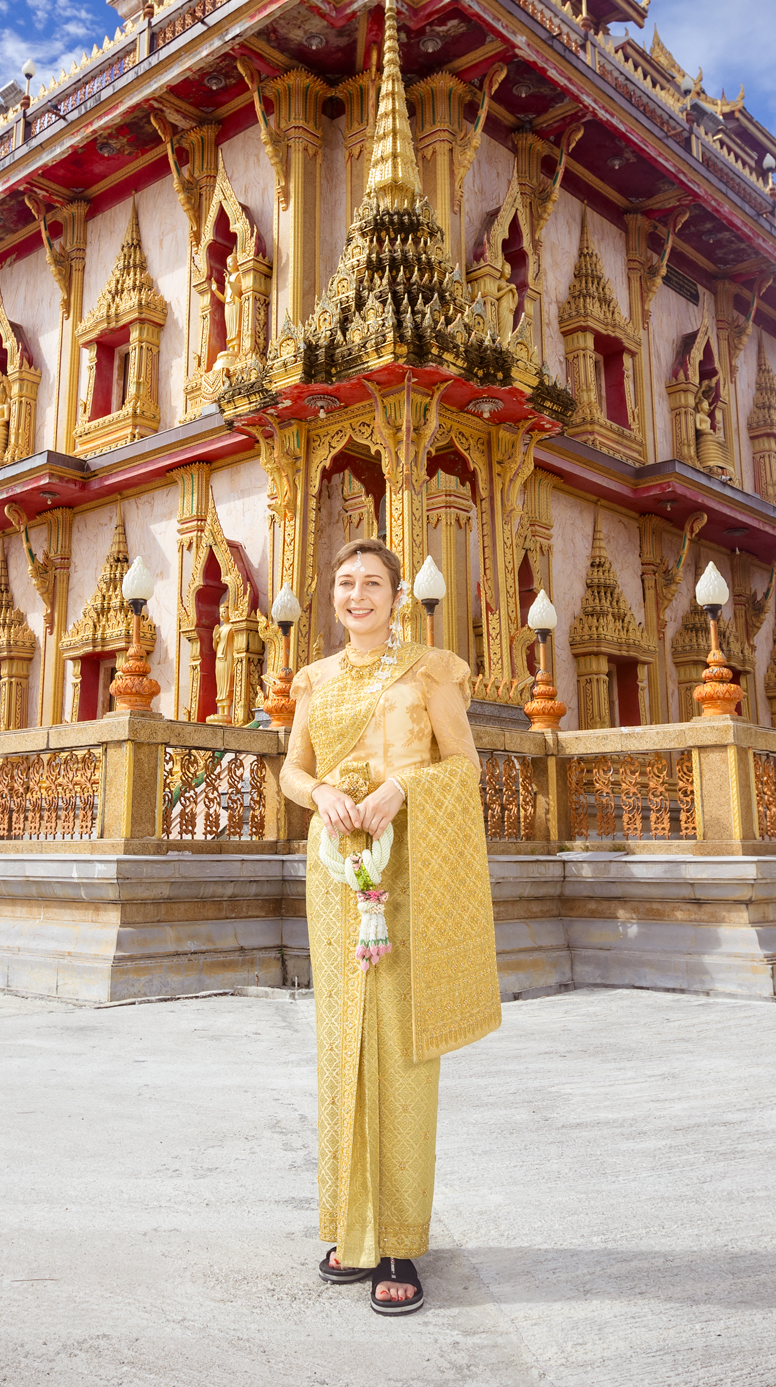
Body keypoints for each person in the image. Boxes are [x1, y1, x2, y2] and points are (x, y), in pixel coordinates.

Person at [279, 539, 501, 1316]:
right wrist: (320, 799)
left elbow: (464, 763)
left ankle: (399, 1239)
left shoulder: (430, 670)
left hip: (405, 869)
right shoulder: (315, 678)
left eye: (372, 582)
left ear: (397, 595)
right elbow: (292, 768)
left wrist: (400, 789)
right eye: (344, 583)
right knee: (343, 1042)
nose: (357, 595)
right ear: (331, 597)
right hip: (338, 874)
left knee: (401, 1046)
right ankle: (350, 1226)